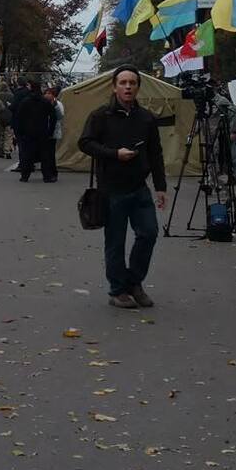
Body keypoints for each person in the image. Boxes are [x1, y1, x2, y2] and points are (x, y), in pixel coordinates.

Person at [78, 66, 169, 309]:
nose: (128, 87)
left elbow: (155, 153)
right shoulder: (101, 116)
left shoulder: (146, 117)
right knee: (115, 242)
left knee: (149, 233)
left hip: (140, 188)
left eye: (132, 83)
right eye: (123, 83)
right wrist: (114, 154)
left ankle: (134, 282)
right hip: (111, 189)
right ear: (114, 86)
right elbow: (85, 143)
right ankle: (118, 290)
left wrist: (161, 187)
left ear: (138, 87)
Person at [14, 80, 53, 182]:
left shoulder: (25, 101)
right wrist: (50, 130)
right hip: (43, 132)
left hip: (28, 132)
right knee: (45, 155)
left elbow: (19, 117)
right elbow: (53, 116)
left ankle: (25, 176)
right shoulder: (45, 102)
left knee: (27, 155)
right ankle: (47, 176)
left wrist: (20, 131)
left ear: (31, 88)